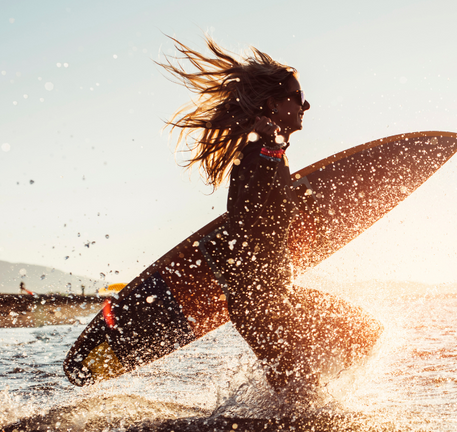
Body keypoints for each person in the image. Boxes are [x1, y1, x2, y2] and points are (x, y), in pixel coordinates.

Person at [160, 36, 382, 396]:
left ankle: (282, 415)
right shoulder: (259, 156)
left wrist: (273, 147)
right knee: (300, 395)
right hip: (261, 301)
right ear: (272, 104)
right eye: (296, 97)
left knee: (364, 333)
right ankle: (267, 428)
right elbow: (246, 212)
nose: (305, 104)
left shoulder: (269, 153)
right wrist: (268, 147)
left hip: (276, 293)